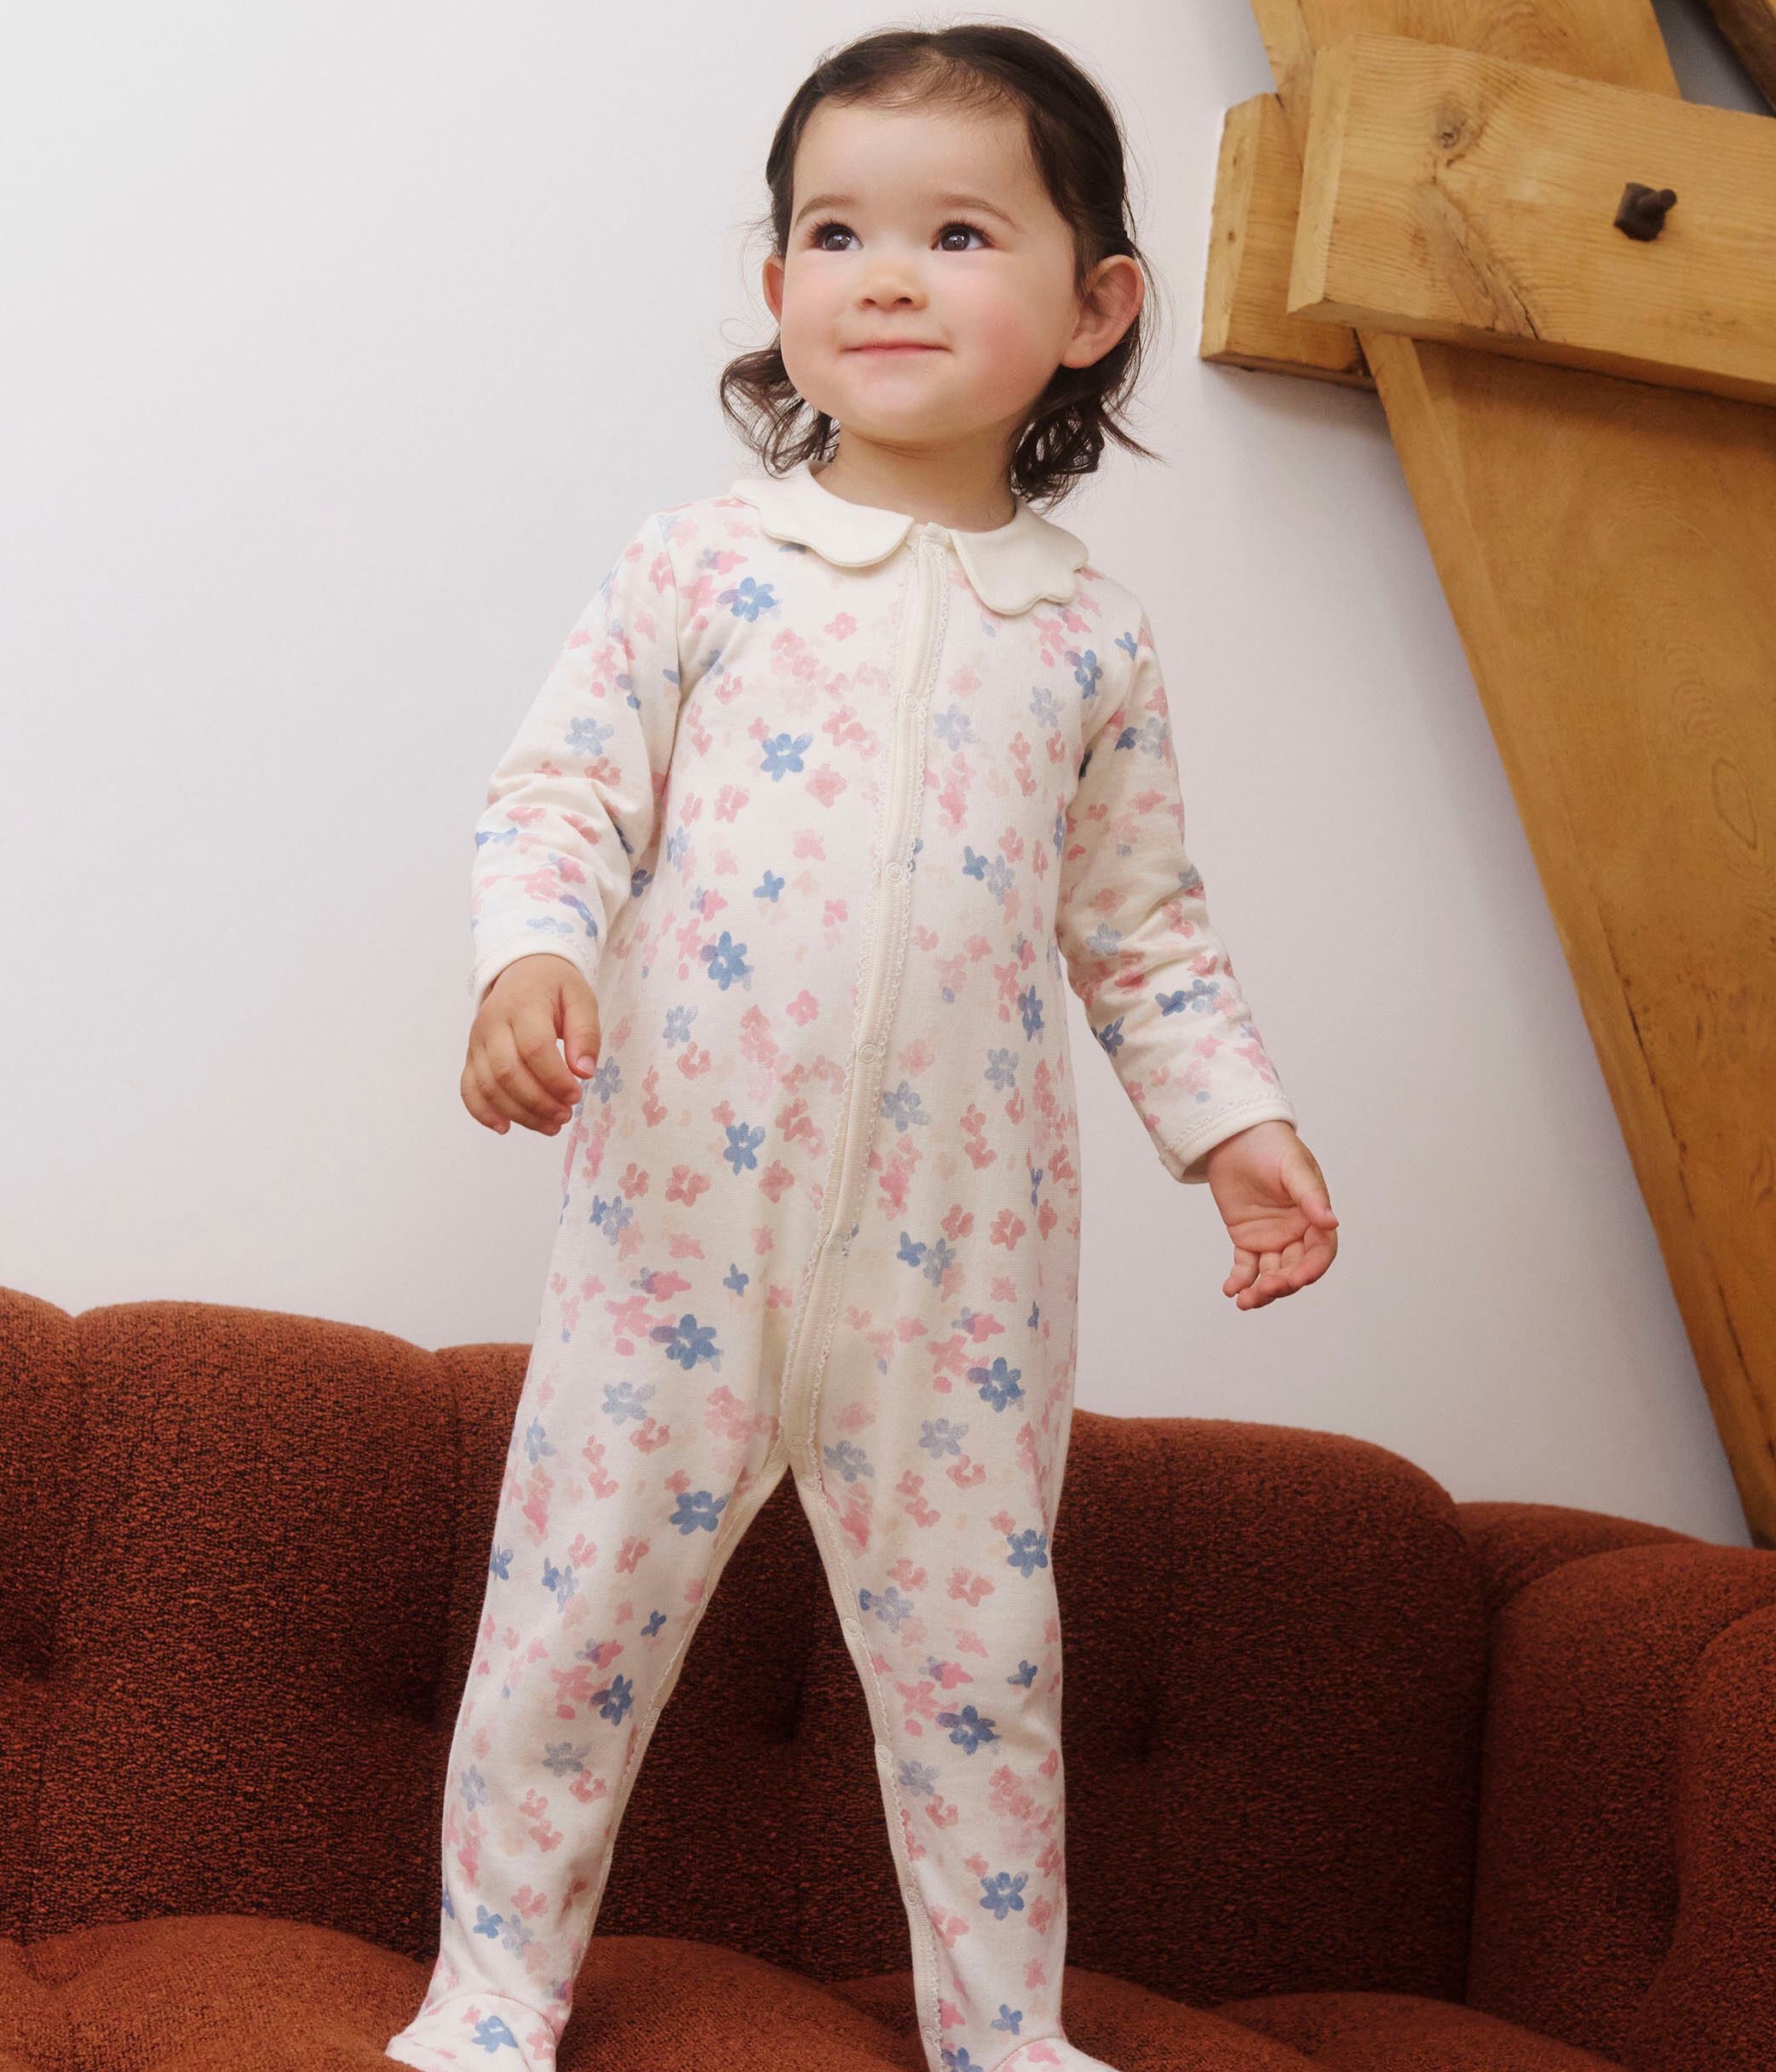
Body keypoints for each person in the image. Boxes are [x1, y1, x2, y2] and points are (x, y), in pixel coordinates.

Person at [386, 22, 1338, 2072]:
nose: (885, 275)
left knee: (981, 1664)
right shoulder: (699, 568)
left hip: (956, 1273)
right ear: (775, 287)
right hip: (671, 1230)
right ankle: (489, 1998)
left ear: (1093, 309)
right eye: (835, 233)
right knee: (567, 1619)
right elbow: (561, 797)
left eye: (957, 233)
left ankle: (1003, 2034)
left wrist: (1233, 1126)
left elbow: (1140, 927)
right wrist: (528, 956)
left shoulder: (1083, 637)